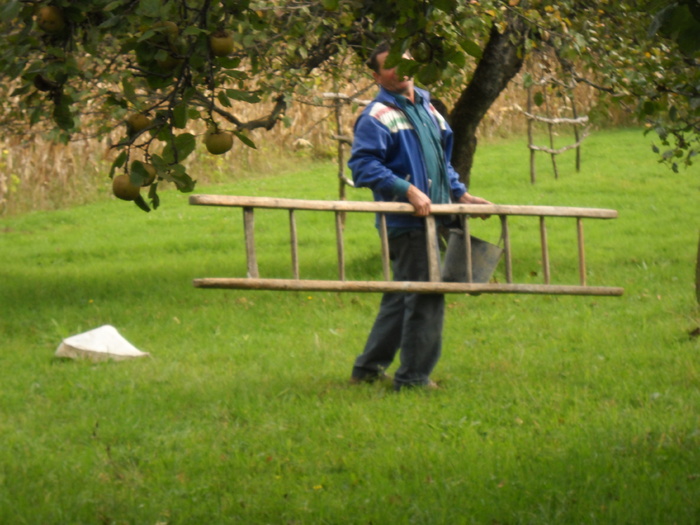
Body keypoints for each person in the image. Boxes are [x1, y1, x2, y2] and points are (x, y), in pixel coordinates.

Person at [348, 42, 491, 391]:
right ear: (375, 75)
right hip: (405, 222)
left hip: (435, 218)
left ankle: (367, 370)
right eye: (390, 66)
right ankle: (413, 379)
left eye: (405, 60)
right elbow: (363, 166)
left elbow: (440, 163)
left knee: (402, 295)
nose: (399, 69)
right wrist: (406, 190)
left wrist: (462, 194)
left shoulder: (429, 108)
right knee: (426, 295)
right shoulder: (377, 115)